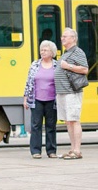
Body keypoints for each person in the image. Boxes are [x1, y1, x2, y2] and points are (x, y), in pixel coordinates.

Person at [54, 28, 89, 160]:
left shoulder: (78, 52)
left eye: (65, 36)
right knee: (68, 122)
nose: (62, 38)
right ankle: (72, 149)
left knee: (74, 120)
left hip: (71, 92)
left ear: (73, 38)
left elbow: (85, 69)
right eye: (62, 36)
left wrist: (68, 66)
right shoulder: (66, 53)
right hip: (62, 92)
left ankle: (77, 150)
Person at [23, 40, 58, 159]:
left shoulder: (57, 66)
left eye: (45, 50)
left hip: (52, 101)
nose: (42, 52)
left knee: (51, 125)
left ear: (52, 52)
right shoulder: (35, 64)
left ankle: (51, 150)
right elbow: (29, 82)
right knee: (36, 125)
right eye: (41, 50)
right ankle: (35, 151)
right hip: (36, 99)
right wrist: (25, 98)